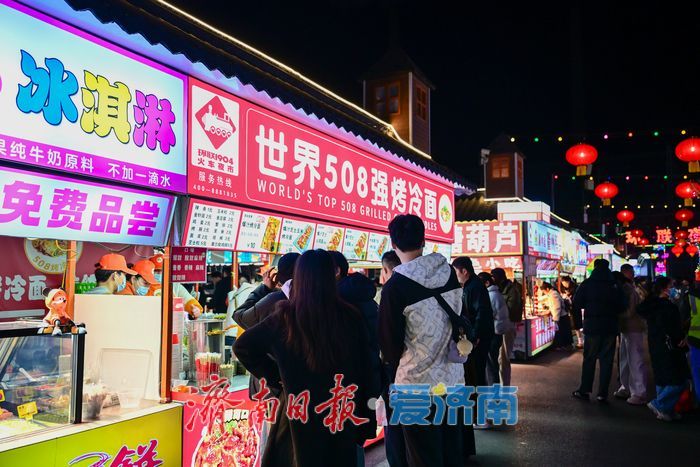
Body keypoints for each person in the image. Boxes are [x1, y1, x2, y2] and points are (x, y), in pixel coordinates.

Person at [234, 249, 377, 467]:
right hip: (338, 411)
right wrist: (366, 420)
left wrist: (277, 378)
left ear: (299, 278)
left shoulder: (285, 316)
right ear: (331, 277)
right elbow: (364, 370)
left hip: (296, 413)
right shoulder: (350, 316)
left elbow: (243, 347)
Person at [380, 214, 465, 466]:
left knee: (423, 457)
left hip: (414, 387)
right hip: (452, 379)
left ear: (393, 244)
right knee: (451, 451)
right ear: (424, 240)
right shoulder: (449, 274)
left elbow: (389, 343)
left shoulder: (395, 286)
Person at [232, 252, 300, 462]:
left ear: (278, 275)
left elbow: (240, 316)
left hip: (273, 387)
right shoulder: (309, 301)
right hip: (294, 386)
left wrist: (264, 287)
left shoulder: (274, 300)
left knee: (273, 439)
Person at [329, 250, 381, 467]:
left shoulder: (339, 302)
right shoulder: (365, 298)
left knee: (345, 439)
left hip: (346, 382)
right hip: (368, 377)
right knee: (355, 439)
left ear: (336, 271)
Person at [637, 277, 690, 421]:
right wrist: (681, 339)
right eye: (672, 286)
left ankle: (666, 411)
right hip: (670, 346)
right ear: (664, 289)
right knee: (680, 380)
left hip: (656, 345)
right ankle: (659, 404)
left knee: (662, 378)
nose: (674, 288)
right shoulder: (668, 307)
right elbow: (673, 328)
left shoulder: (651, 305)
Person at [572, 258, 625, 402]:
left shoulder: (587, 283)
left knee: (589, 359)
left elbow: (576, 302)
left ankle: (585, 390)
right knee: (607, 360)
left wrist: (580, 320)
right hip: (610, 327)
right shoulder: (614, 284)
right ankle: (602, 393)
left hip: (592, 327)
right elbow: (622, 305)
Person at [613, 264, 649, 405]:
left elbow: (630, 311)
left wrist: (615, 316)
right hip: (627, 328)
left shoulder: (629, 290)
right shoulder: (629, 288)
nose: (632, 274)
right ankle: (626, 388)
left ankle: (639, 393)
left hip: (633, 328)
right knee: (626, 360)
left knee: (635, 360)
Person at [478, 272, 512, 390]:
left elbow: (487, 316)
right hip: (497, 332)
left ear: (487, 283)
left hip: (493, 333)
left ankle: (493, 392)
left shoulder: (491, 296)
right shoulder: (496, 294)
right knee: (493, 363)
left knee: (491, 365)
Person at [149, 253, 202, 319]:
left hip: (170, 320)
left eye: (162, 271)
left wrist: (196, 309)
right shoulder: (145, 285)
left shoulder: (175, 286)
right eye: (156, 271)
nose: (159, 274)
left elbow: (188, 299)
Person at [491, 268, 521, 386]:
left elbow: (511, 310)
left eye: (493, 277)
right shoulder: (500, 289)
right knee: (499, 358)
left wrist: (498, 308)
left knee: (503, 358)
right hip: (499, 327)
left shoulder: (511, 290)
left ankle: (505, 387)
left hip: (507, 327)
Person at [540, 282, 572, 350]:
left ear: (547, 289)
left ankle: (564, 346)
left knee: (562, 331)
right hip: (562, 316)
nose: (544, 293)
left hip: (561, 316)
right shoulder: (552, 293)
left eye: (544, 291)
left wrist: (555, 319)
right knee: (563, 332)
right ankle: (565, 346)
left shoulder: (553, 294)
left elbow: (557, 307)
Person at [686, 283, 700, 406]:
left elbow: (683, 316)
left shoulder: (690, 296)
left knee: (697, 372)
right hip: (695, 339)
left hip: (695, 339)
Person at [560, 276, 583, 349]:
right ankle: (570, 342)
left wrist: (569, 297)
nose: (564, 285)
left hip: (575, 308)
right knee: (569, 326)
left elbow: (578, 299)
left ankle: (580, 342)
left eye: (565, 283)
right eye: (563, 283)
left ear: (569, 281)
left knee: (577, 326)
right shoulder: (562, 288)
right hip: (567, 309)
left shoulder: (576, 288)